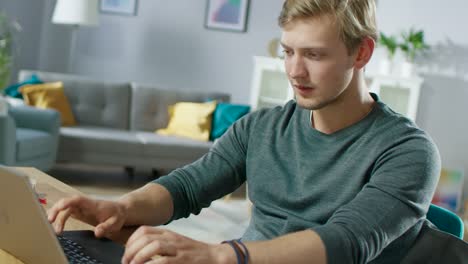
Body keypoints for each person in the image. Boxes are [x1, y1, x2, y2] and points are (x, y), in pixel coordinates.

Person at [48, 0, 441, 263]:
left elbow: (347, 243)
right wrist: (120, 208)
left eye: (314, 55)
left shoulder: (408, 152)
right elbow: (188, 187)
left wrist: (221, 255)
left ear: (362, 53)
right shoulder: (262, 127)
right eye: (288, 51)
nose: (294, 71)